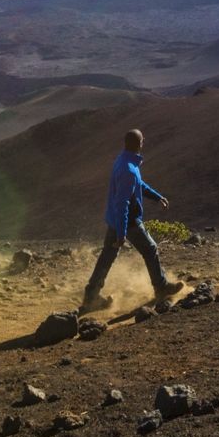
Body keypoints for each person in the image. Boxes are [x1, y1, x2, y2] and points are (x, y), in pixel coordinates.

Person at [81, 128, 183, 311]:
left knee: (107, 256)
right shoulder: (128, 169)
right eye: (142, 141)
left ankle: (91, 296)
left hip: (115, 219)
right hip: (127, 221)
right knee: (150, 249)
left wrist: (157, 196)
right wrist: (121, 234)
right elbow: (123, 204)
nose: (144, 143)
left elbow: (138, 185)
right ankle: (161, 287)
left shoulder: (124, 161)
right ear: (139, 144)